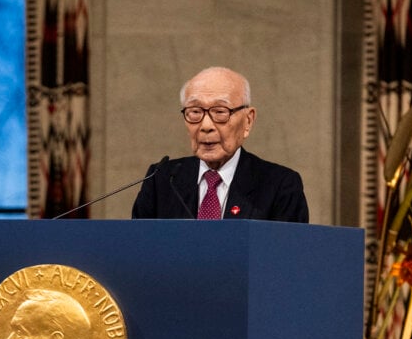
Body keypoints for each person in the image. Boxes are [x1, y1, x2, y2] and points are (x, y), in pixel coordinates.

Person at [131, 66, 309, 222]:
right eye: (195, 112)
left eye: (220, 112)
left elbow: (288, 256)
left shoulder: (279, 185)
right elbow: (139, 250)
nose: (206, 126)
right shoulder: (162, 179)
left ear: (248, 120)